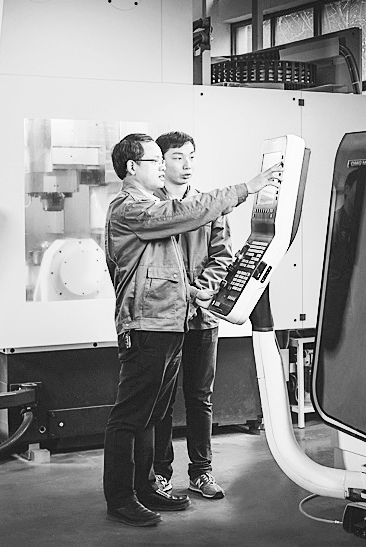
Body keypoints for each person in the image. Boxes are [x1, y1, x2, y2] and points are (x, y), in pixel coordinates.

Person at [103, 133, 281, 527]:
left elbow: (177, 263)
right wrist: (247, 187)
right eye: (156, 160)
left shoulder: (156, 207)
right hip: (146, 325)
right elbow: (182, 213)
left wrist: (201, 292)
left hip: (171, 324)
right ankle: (120, 498)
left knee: (150, 415)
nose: (164, 167)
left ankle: (146, 487)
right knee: (130, 417)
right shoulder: (130, 208)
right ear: (132, 168)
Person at [152, 131, 230, 501]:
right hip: (165, 318)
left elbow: (223, 255)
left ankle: (201, 472)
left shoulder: (208, 205)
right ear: (161, 161)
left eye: (191, 157)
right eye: (177, 157)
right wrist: (185, 292)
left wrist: (203, 290)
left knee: (200, 397)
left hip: (202, 316)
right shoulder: (150, 206)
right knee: (161, 400)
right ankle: (159, 474)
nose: (186, 165)